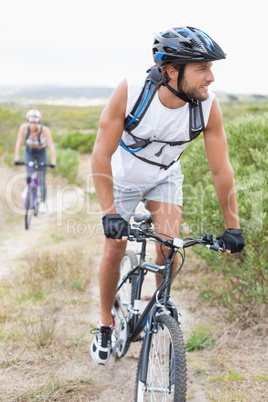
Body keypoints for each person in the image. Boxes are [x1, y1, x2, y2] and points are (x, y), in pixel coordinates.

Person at [90, 26, 245, 365]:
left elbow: (221, 170)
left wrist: (233, 226)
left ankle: (160, 312)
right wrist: (109, 214)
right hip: (122, 177)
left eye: (212, 67)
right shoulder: (131, 92)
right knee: (115, 245)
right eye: (202, 68)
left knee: (168, 246)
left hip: (164, 178)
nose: (211, 77)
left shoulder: (206, 107)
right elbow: (100, 155)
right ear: (172, 71)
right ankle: (104, 324)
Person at [14, 109, 56, 213]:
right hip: (29, 152)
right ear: (28, 121)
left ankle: (42, 202)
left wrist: (53, 162)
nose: (33, 125)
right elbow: (19, 143)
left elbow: (51, 146)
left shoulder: (44, 130)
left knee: (41, 178)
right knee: (30, 173)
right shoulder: (23, 128)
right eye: (31, 122)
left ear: (39, 122)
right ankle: (29, 188)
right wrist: (17, 159)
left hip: (41, 152)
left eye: (35, 123)